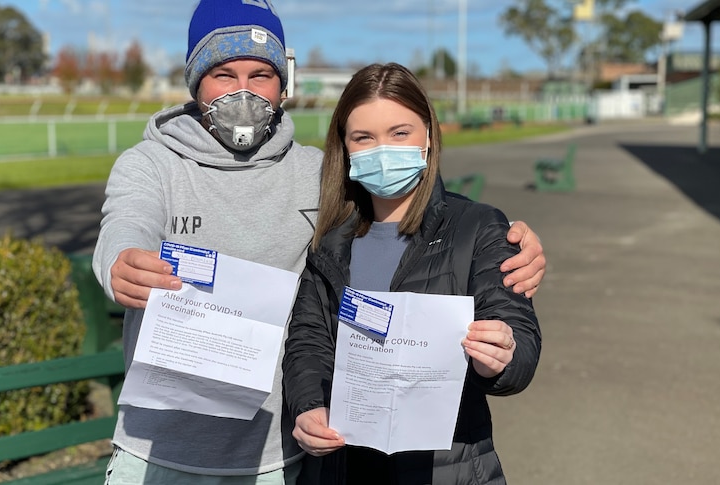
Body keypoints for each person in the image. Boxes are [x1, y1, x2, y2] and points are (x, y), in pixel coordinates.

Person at [92, 1, 545, 483]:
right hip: (161, 450)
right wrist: (119, 263)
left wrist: (516, 244)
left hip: (281, 454)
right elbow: (124, 228)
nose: (244, 91)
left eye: (261, 74)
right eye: (224, 74)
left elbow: (415, 215)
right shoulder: (150, 166)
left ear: (282, 83)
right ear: (195, 80)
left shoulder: (319, 177)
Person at [282, 62, 542, 485]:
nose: (382, 150)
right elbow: (309, 339)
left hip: (448, 470)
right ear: (344, 149)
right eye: (363, 137)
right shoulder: (330, 243)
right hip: (344, 467)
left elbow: (519, 338)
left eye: (399, 133)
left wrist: (503, 356)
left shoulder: (479, 227)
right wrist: (309, 406)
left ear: (428, 135)